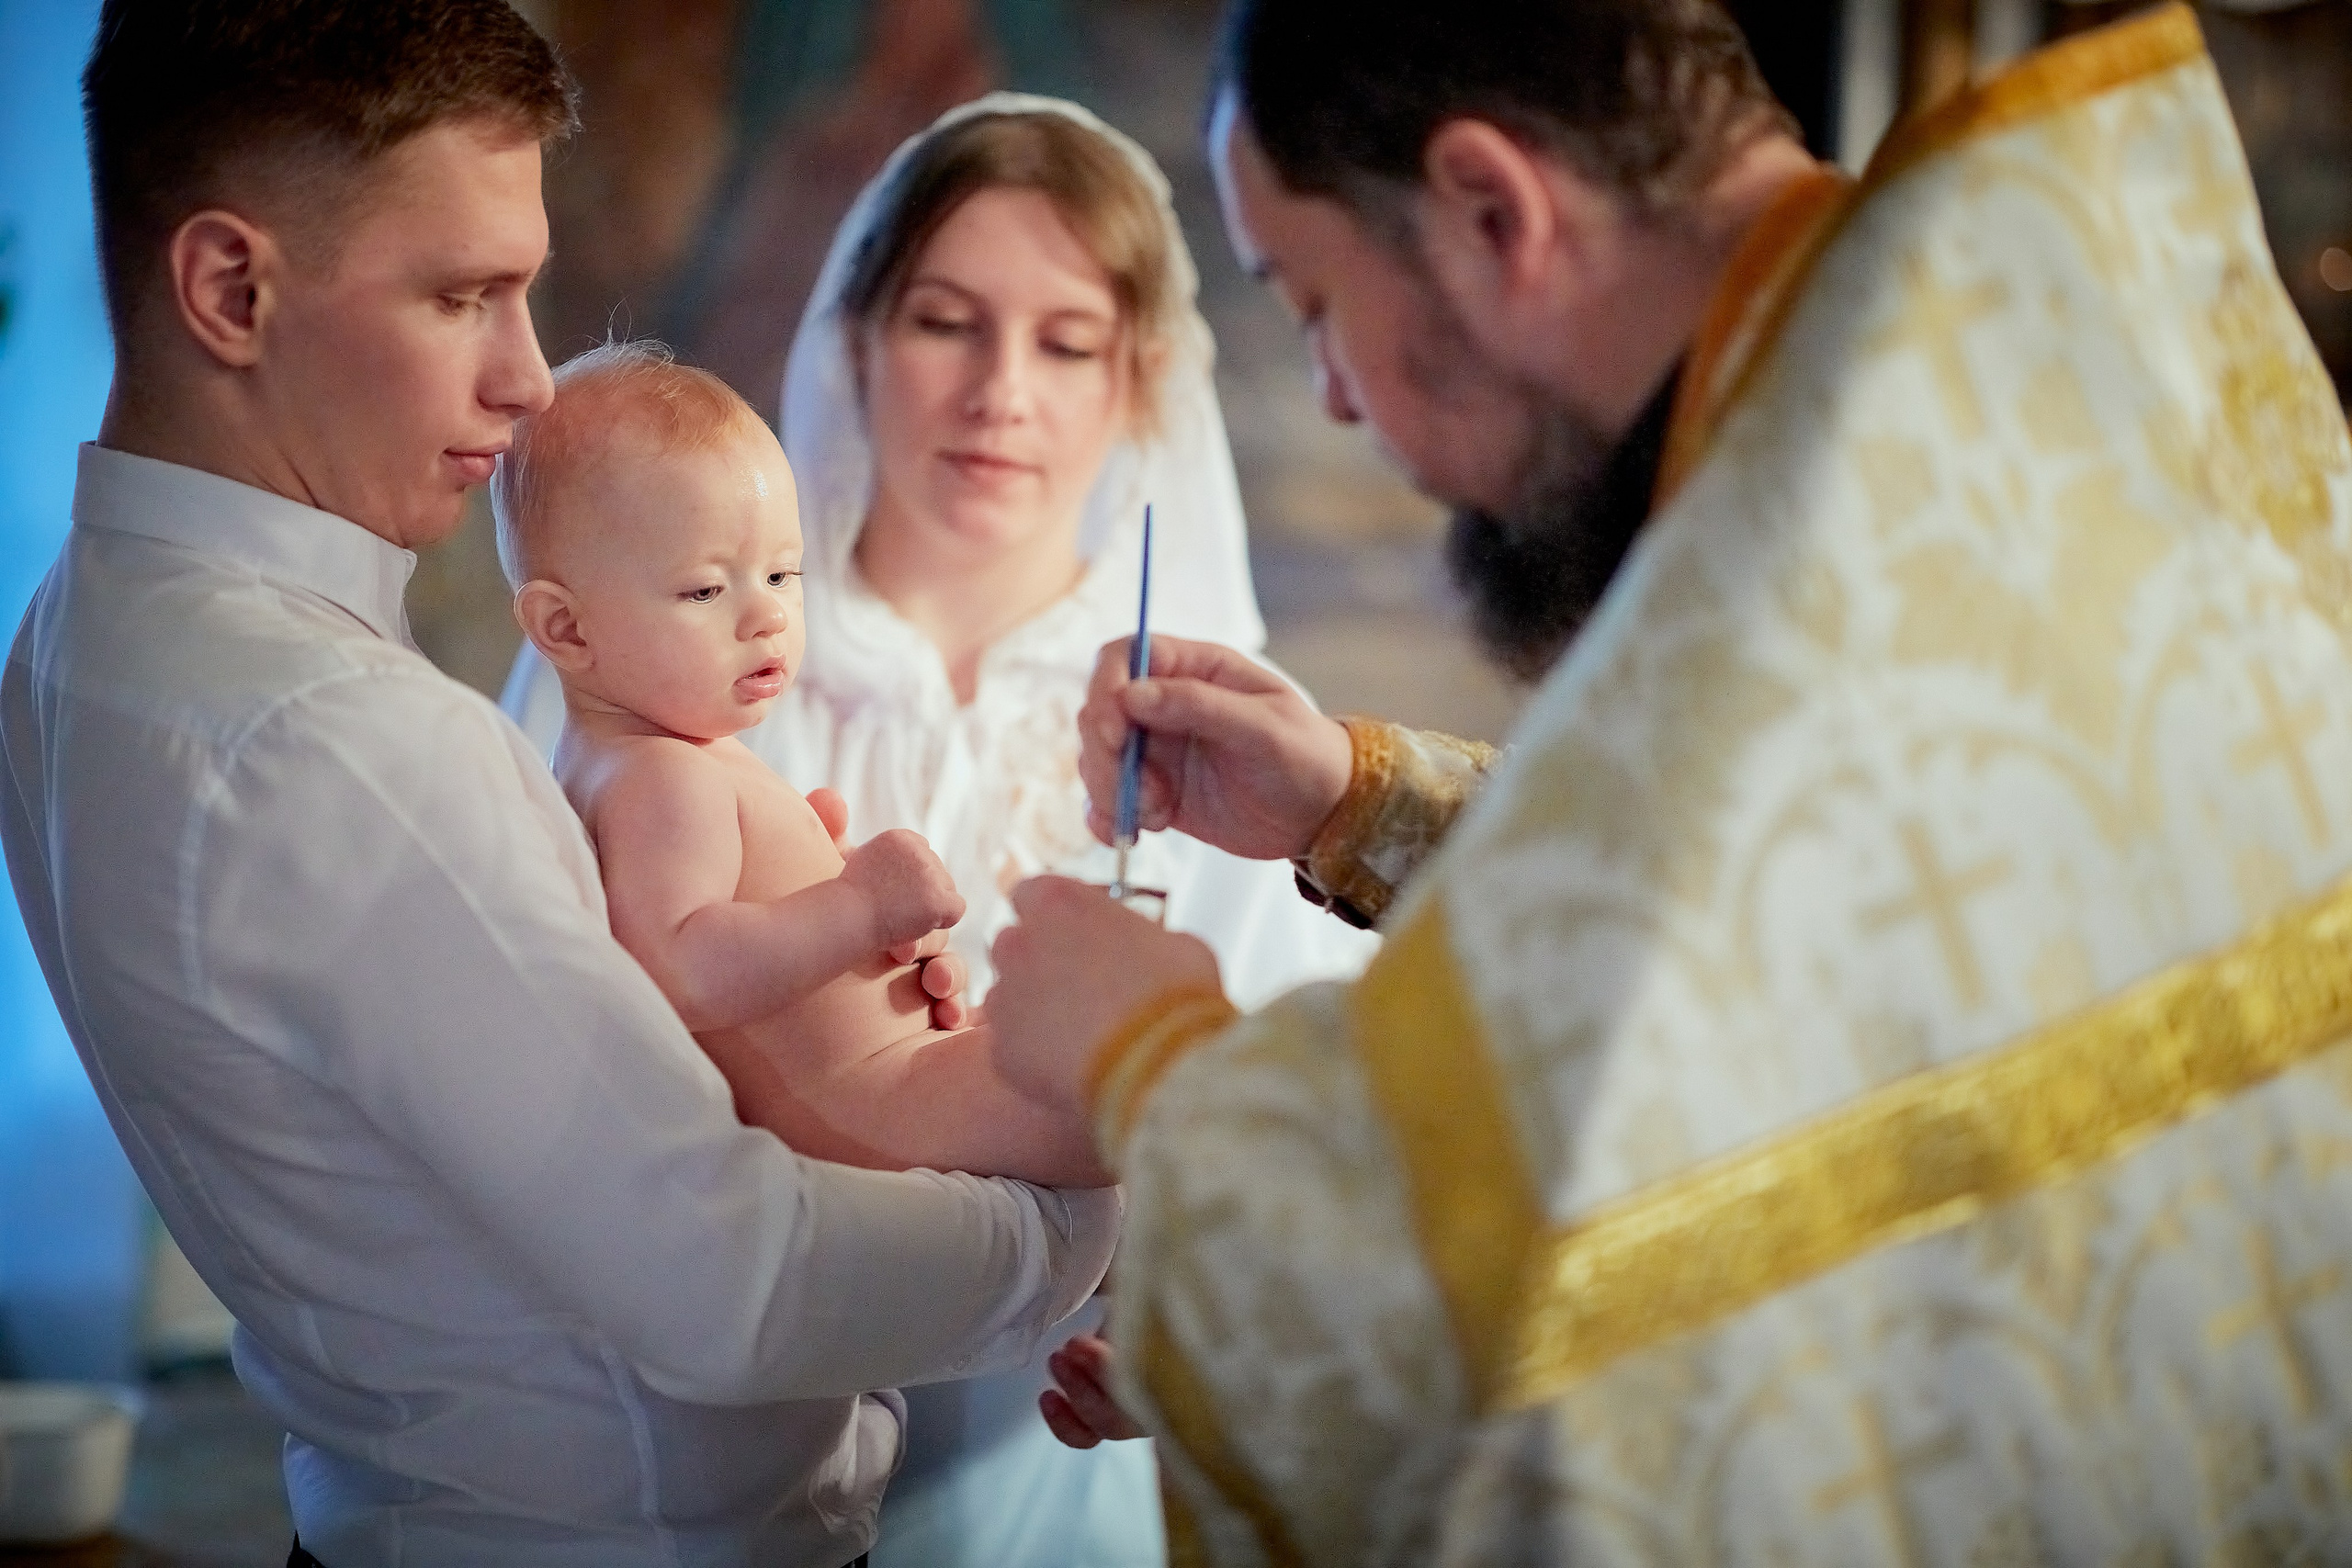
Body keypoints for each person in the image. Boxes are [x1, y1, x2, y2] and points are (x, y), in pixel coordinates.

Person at [985, 1, 2352, 1561]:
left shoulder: (1810, 534)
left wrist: (1148, 1057)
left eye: (1314, 305)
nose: (1339, 398)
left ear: (1492, 211)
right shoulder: (1992, 375)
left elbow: (1517, 1316)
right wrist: (1356, 801)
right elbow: (1775, 925)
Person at [0, 6, 1117, 1564]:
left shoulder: (69, 635)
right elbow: (732, 1284)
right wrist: (1083, 1222)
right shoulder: (348, 739)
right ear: (231, 290)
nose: (529, 379)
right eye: (463, 295)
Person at [505, 95, 1376, 1568]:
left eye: (1068, 342)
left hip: (1052, 1466)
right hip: (719, 1447)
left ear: (1140, 381)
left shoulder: (1219, 730)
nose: (999, 393)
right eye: (945, 322)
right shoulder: (663, 653)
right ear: (855, 338)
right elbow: (544, 1032)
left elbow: (1276, 1085)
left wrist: (1203, 1320)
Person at [495, 340, 1105, 1187]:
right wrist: (858, 907)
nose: (768, 617)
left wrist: (837, 909)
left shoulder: (658, 757)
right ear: (566, 630)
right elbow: (680, 972)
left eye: (783, 574)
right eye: (706, 589)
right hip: (871, 1101)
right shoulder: (662, 776)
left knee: (1094, 1069)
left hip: (879, 1082)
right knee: (1117, 1076)